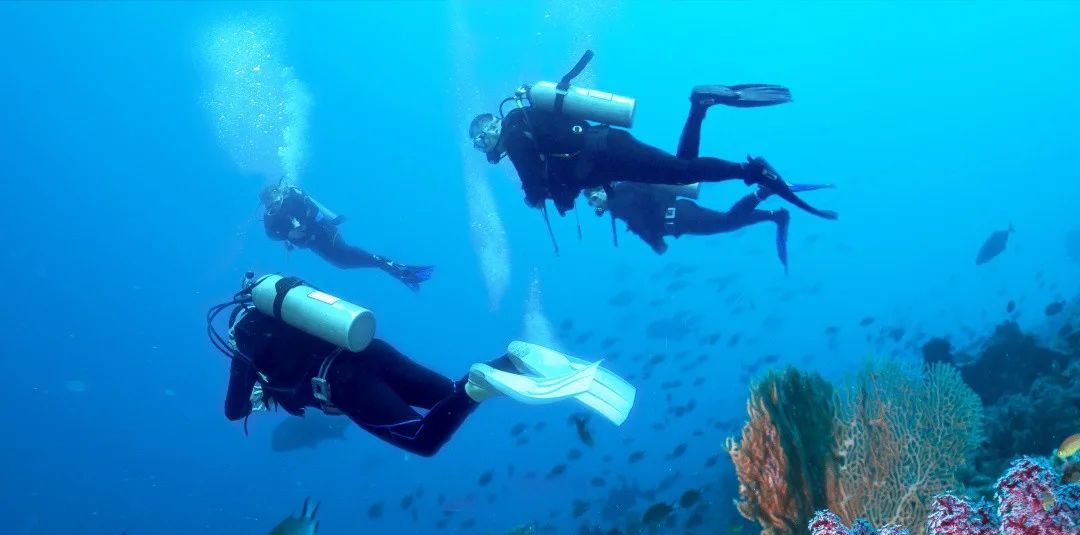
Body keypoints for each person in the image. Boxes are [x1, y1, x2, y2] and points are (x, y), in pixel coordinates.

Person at [209, 276, 635, 458]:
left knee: (421, 439)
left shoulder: (244, 341)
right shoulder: (285, 312)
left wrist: (254, 386)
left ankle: (477, 388)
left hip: (342, 383)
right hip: (371, 351)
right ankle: (509, 360)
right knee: (444, 393)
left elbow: (232, 411)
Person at [469, 81, 836, 222]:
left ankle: (747, 168)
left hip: (608, 154)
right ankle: (705, 113)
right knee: (682, 169)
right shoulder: (526, 118)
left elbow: (534, 186)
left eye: (482, 140)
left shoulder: (516, 136)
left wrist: (536, 198)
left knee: (681, 171)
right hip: (609, 151)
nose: (487, 147)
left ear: (490, 132)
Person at [584, 97, 834, 268]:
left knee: (726, 219)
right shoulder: (619, 200)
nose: (594, 203)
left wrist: (655, 243)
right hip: (679, 218)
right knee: (727, 220)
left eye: (593, 197)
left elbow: (643, 218)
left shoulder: (619, 196)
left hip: (678, 217)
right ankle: (772, 214)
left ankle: (764, 193)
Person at [259, 182, 435, 292]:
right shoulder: (270, 219)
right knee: (343, 263)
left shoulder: (294, 197)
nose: (276, 208)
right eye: (271, 207)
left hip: (323, 230)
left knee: (345, 253)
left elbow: (313, 209)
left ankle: (396, 268)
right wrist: (288, 233)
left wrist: (304, 225)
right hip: (312, 241)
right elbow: (271, 235)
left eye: (277, 203)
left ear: (281, 195)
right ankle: (394, 268)